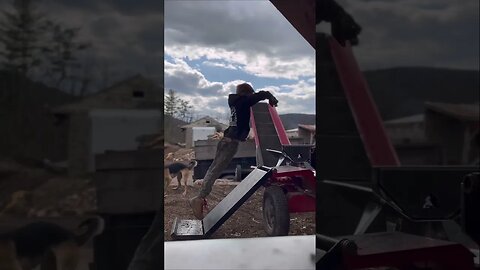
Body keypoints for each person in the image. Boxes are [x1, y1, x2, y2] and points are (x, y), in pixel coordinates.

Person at [189, 83, 278, 219]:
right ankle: (199, 198)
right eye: (250, 94)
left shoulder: (235, 102)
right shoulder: (244, 101)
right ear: (247, 93)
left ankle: (200, 197)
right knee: (215, 170)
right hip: (230, 142)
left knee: (214, 168)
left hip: (227, 140)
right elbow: (261, 94)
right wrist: (271, 97)